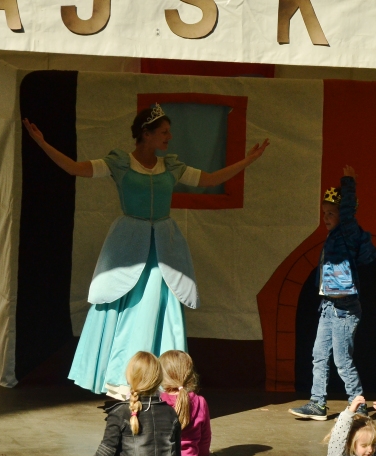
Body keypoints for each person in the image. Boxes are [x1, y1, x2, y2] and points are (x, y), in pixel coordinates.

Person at [23, 106, 269, 399]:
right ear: (146, 134)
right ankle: (120, 378)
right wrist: (42, 143)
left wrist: (248, 160)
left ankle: (161, 379)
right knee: (119, 304)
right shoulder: (119, 163)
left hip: (163, 247)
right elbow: (75, 168)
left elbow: (212, 179)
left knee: (157, 304)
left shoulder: (171, 166)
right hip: (127, 244)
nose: (169, 137)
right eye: (164, 132)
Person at [289, 165, 376, 420]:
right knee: (319, 356)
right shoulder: (332, 237)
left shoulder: (348, 233)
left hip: (344, 309)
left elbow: (348, 213)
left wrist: (348, 182)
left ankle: (358, 405)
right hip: (328, 306)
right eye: (324, 213)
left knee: (342, 360)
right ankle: (317, 403)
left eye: (331, 213)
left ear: (343, 215)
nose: (326, 218)